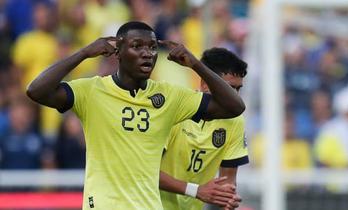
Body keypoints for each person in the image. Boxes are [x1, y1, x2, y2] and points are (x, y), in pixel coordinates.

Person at [26, 21, 245, 209]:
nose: (147, 53)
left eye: (151, 47)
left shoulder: (169, 97)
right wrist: (84, 53)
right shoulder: (91, 91)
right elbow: (36, 91)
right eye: (136, 46)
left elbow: (234, 107)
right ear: (118, 52)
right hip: (104, 205)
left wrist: (196, 65)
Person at [159, 48, 249, 210]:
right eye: (228, 88)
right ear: (205, 83)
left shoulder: (235, 122)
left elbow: (227, 182)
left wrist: (227, 199)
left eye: (238, 89)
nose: (234, 96)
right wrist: (195, 190)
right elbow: (145, 172)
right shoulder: (175, 109)